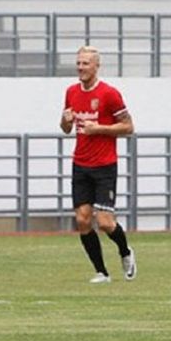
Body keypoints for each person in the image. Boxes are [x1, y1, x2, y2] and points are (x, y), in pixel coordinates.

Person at [60, 45, 137, 284]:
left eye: (85, 63)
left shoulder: (109, 94)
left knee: (104, 222)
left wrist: (100, 129)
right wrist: (65, 122)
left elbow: (128, 127)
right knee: (82, 220)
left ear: (96, 66)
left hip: (104, 165)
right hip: (80, 164)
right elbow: (66, 129)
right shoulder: (71, 91)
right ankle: (101, 272)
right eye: (79, 63)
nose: (81, 67)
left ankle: (125, 252)